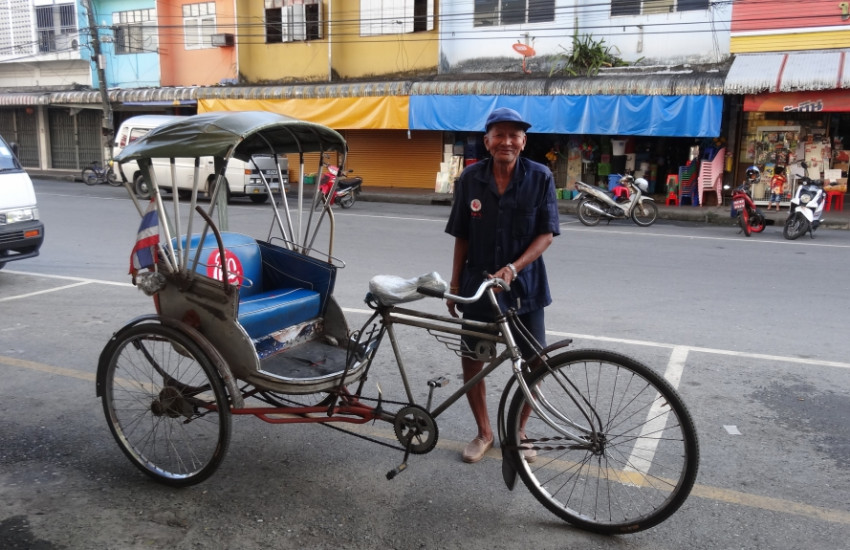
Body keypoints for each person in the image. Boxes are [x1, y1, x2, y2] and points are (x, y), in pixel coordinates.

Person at [444, 107, 560, 464]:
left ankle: (519, 432)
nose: (506, 141)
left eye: (514, 135)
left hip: (524, 287)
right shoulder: (470, 179)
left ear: (523, 142)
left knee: (535, 361)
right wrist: (454, 282)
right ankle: (484, 432)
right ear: (487, 142)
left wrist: (513, 268)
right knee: (472, 359)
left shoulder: (541, 177)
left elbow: (546, 234)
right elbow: (461, 234)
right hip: (478, 286)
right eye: (499, 135)